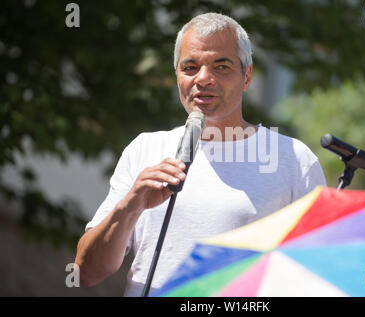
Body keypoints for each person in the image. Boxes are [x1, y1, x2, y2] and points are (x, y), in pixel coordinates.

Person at [74, 12, 327, 297]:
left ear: (246, 77)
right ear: (177, 76)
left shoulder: (293, 160)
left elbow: (319, 277)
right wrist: (131, 205)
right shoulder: (144, 149)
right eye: (190, 67)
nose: (203, 78)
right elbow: (86, 272)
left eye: (221, 67)